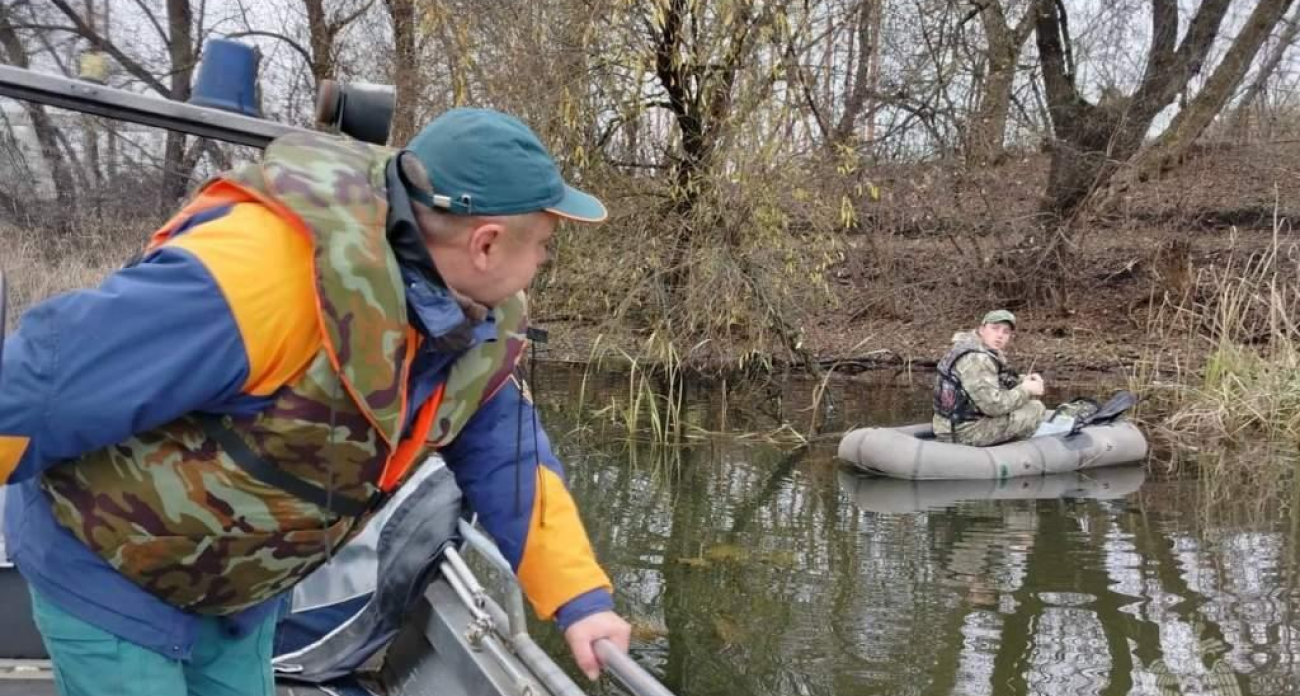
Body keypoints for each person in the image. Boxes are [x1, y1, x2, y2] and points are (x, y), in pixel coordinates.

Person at [0, 107, 631, 695]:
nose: (546, 258)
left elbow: (509, 460)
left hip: (236, 595)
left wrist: (581, 600)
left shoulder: (477, 321)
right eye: (544, 243)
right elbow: (37, 386)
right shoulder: (262, 273)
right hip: (110, 571)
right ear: (487, 243)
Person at [932, 309, 1047, 446]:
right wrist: (1026, 390)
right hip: (964, 432)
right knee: (1035, 408)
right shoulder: (977, 359)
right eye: (995, 328)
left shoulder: (970, 347)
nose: (1000, 335)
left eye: (1006, 332)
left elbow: (994, 380)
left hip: (949, 425)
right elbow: (993, 406)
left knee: (1026, 403)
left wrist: (1023, 381)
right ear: (982, 329)